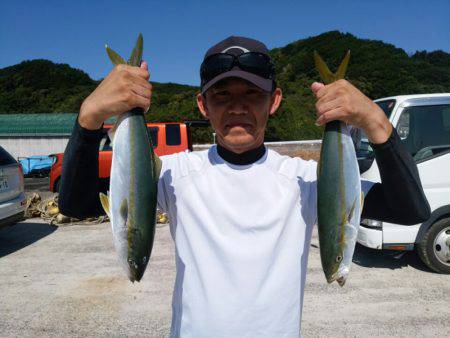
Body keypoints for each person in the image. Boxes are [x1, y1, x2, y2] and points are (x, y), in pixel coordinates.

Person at [59, 36, 430, 337]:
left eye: (252, 94)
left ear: (275, 101)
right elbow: (78, 204)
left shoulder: (306, 180)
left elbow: (409, 210)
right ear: (202, 105)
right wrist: (89, 119)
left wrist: (376, 122)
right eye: (222, 95)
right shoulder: (174, 174)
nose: (237, 107)